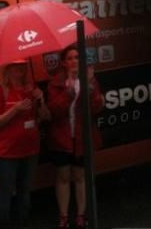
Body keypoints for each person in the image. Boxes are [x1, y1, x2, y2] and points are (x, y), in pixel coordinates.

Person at [47, 45, 105, 229]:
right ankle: (63, 217)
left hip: (82, 138)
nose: (74, 61)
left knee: (80, 176)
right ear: (63, 63)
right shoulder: (55, 83)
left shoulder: (89, 80)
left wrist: (88, 85)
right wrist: (68, 93)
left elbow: (97, 107)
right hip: (61, 138)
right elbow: (54, 111)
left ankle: (81, 215)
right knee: (63, 176)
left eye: (77, 58)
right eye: (70, 58)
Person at [0, 61, 50, 227]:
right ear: (7, 68)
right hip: (7, 153)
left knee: (25, 191)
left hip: (30, 150)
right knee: (5, 192)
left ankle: (23, 223)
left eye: (23, 65)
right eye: (15, 65)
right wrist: (16, 109)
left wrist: (41, 100)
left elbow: (46, 117)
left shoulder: (31, 88)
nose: (20, 68)